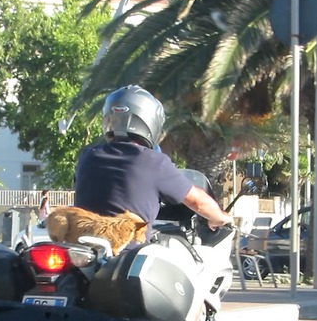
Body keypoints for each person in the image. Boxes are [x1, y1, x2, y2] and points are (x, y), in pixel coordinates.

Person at [73, 85, 234, 246]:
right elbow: (198, 202)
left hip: (84, 254)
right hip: (126, 255)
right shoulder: (153, 162)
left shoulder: (88, 156)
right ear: (150, 120)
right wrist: (220, 217)